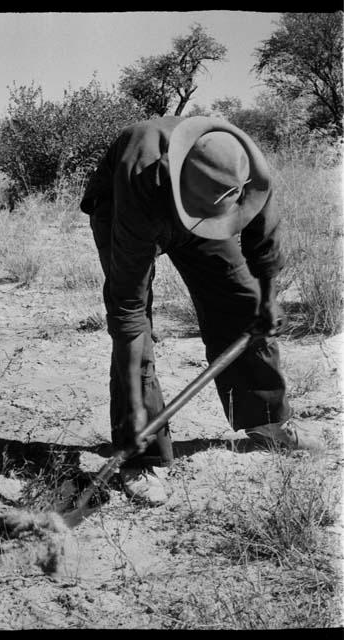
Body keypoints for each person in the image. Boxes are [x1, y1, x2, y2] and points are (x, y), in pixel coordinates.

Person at [80, 115, 322, 506]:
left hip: (203, 204)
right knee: (134, 334)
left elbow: (264, 243)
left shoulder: (244, 165)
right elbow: (128, 306)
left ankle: (266, 418)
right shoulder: (142, 176)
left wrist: (268, 298)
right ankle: (141, 457)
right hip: (124, 206)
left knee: (242, 301)